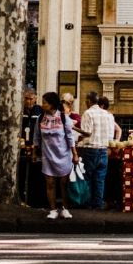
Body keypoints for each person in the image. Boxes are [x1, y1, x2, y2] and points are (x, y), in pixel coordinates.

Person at [34, 91, 78, 220]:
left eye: (45, 103)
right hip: (47, 155)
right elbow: (36, 137)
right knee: (50, 183)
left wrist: (74, 154)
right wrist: (34, 152)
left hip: (63, 155)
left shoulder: (64, 118)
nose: (42, 105)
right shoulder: (40, 118)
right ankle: (53, 209)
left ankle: (65, 208)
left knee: (64, 183)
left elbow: (70, 138)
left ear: (52, 104)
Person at [77, 94, 119, 211]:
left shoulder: (88, 113)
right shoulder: (109, 115)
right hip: (104, 150)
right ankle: (98, 203)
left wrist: (73, 128)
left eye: (86, 100)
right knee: (100, 179)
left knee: (88, 177)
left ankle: (88, 203)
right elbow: (112, 133)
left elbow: (87, 132)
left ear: (89, 101)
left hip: (90, 149)